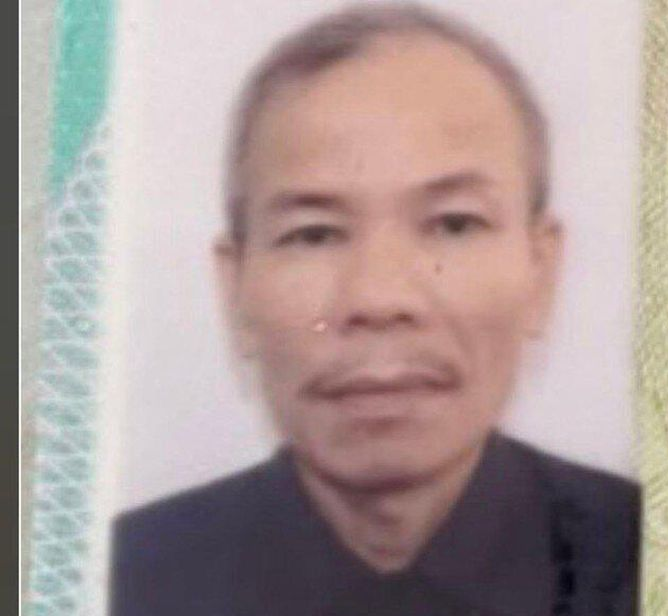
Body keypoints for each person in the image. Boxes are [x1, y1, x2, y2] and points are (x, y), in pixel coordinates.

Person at [111, 3, 640, 615]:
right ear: (235, 291)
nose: (378, 298)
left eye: (453, 224)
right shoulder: (110, 579)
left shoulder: (637, 562)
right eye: (314, 234)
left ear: (541, 273)